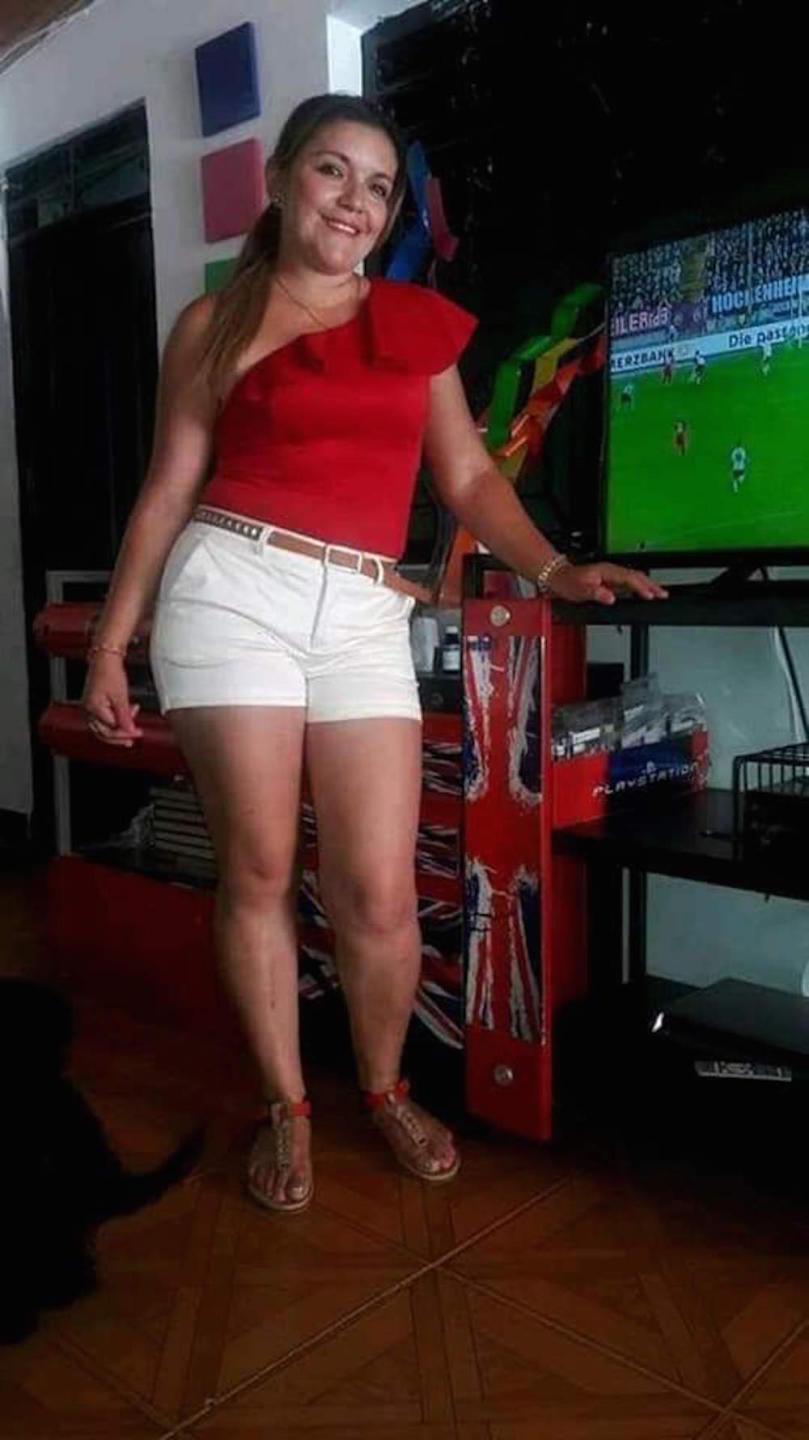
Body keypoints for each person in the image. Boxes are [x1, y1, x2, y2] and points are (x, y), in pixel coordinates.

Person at [82, 93, 666, 1214]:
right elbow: (166, 488)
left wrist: (552, 569)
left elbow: (469, 477)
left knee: (379, 893)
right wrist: (111, 642)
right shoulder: (213, 325)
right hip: (232, 590)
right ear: (280, 179)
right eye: (331, 171)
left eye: (379, 185)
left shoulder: (411, 325)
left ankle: (386, 1086)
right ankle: (286, 1106)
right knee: (260, 869)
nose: (355, 200)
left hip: (361, 610)